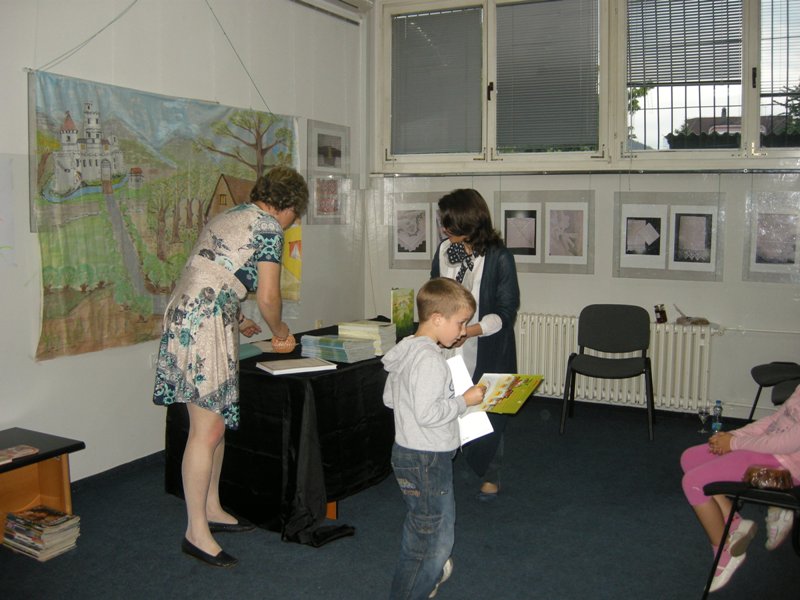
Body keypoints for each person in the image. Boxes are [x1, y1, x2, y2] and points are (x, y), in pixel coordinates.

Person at [152, 165, 308, 567]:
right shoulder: (269, 227)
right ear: (288, 206)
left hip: (193, 313)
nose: (292, 223)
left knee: (215, 424)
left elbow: (209, 270)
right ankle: (195, 531)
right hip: (204, 322)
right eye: (294, 215)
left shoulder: (232, 215)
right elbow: (269, 296)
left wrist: (237, 318)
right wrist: (281, 331)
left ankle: (212, 508)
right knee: (206, 431)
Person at [382, 278, 487, 599]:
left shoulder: (408, 349)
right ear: (438, 319)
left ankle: (430, 571)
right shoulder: (429, 360)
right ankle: (418, 583)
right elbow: (428, 414)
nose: (463, 331)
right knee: (432, 538)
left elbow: (390, 398)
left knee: (423, 525)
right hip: (427, 458)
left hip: (409, 453)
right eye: (461, 323)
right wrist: (463, 401)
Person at [431, 188, 520, 500]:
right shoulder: (445, 250)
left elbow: (507, 312)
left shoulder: (499, 257)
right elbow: (435, 294)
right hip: (448, 347)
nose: (443, 228)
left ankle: (491, 474)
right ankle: (441, 466)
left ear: (468, 222)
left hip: (486, 346)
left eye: (449, 222)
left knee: (488, 411)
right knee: (446, 406)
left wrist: (469, 331)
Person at [680, 383, 800, 592]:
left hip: (787, 467)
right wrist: (733, 435)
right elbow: (774, 420)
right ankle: (735, 524)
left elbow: (788, 443)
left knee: (692, 483)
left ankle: (723, 554)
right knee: (690, 459)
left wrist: (734, 444)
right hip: (769, 450)